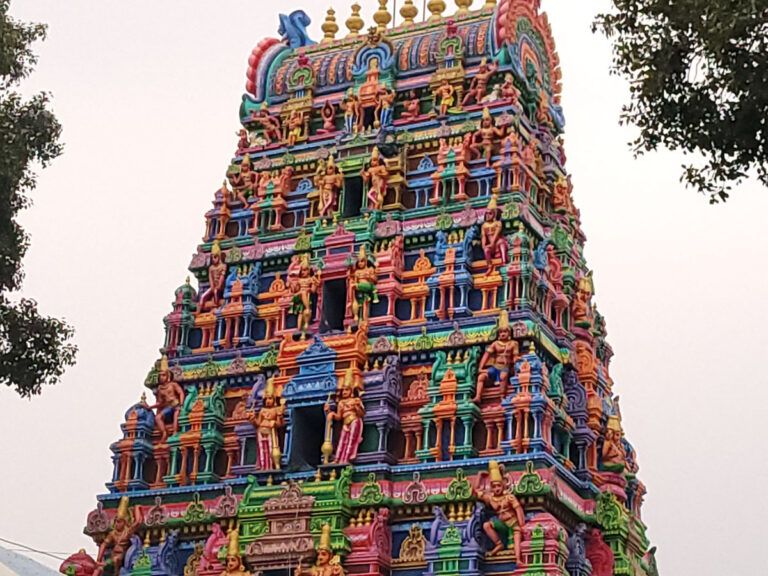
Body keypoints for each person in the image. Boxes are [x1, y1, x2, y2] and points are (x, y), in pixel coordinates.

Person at [475, 461, 525, 563]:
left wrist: (522, 525)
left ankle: (518, 558)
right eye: (494, 486)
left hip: (512, 522)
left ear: (503, 485)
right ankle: (498, 544)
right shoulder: (490, 498)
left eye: (499, 486)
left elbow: (518, 509)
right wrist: (479, 476)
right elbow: (476, 491)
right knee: (486, 525)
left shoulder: (509, 497)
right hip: (501, 523)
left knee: (517, 535)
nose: (497, 489)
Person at [474, 311, 518, 403]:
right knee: (481, 377)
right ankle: (478, 396)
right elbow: (486, 355)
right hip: (495, 367)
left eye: (505, 332)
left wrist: (516, 362)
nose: (502, 334)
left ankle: (502, 397)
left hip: (505, 367)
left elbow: (515, 356)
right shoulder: (495, 344)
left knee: (503, 376)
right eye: (501, 332)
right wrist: (481, 367)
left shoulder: (513, 344)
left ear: (509, 333)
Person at [324, 368, 365, 464]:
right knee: (342, 441)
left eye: (346, 390)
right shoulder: (341, 403)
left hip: (354, 420)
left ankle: (346, 459)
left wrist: (357, 407)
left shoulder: (356, 400)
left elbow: (362, 414)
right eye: (343, 390)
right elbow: (339, 417)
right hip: (345, 423)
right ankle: (337, 459)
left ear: (351, 391)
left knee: (351, 441)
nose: (344, 392)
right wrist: (330, 412)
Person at [93, 497, 143, 576]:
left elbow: (138, 522)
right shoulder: (113, 533)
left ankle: (117, 574)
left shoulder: (127, 532)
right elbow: (103, 544)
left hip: (122, 557)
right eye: (115, 521)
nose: (116, 524)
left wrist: (137, 508)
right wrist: (98, 559)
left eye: (119, 522)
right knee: (98, 568)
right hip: (113, 556)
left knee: (116, 560)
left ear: (124, 522)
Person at [147, 355, 186, 441]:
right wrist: (150, 407)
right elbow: (160, 403)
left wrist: (182, 404)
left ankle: (175, 432)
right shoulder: (160, 389)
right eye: (160, 376)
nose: (161, 377)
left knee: (176, 416)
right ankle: (164, 432)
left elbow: (181, 393)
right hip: (168, 407)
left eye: (163, 375)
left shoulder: (173, 385)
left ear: (168, 376)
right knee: (158, 417)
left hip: (176, 405)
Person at [349, 245, 378, 323]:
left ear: (365, 261)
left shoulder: (370, 269)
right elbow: (355, 280)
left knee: (352, 286)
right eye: (359, 262)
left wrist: (369, 277)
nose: (360, 263)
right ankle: (361, 318)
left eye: (362, 261)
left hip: (368, 286)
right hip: (360, 289)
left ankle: (350, 303)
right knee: (361, 303)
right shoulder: (357, 272)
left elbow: (375, 279)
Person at [481, 195, 508, 274]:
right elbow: (483, 236)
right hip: (490, 245)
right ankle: (489, 266)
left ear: (494, 215)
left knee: (501, 242)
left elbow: (496, 234)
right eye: (486, 214)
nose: (488, 215)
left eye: (490, 214)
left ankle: (504, 261)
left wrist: (492, 243)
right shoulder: (484, 226)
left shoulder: (497, 223)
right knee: (486, 250)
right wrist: (483, 245)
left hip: (496, 242)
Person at [198, 241, 228, 311]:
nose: (214, 259)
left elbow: (222, 278)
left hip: (220, 286)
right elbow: (210, 278)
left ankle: (217, 306)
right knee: (202, 296)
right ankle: (199, 310)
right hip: (213, 286)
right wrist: (212, 287)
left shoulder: (223, 266)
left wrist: (218, 286)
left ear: (219, 256)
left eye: (215, 257)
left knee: (216, 292)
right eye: (212, 257)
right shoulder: (211, 268)